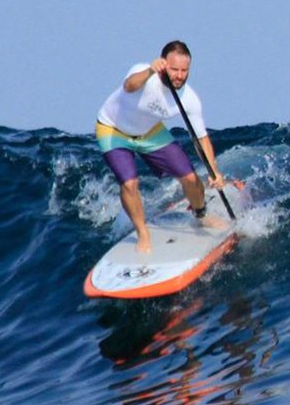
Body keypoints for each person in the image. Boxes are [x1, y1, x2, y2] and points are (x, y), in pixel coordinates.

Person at [96, 40, 228, 253]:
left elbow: (200, 138)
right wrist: (150, 71)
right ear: (163, 64)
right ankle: (143, 233)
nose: (179, 75)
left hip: (149, 132)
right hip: (113, 129)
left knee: (191, 178)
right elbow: (129, 86)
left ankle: (201, 215)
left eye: (184, 70)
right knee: (129, 183)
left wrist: (214, 171)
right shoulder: (143, 73)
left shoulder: (189, 99)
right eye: (174, 69)